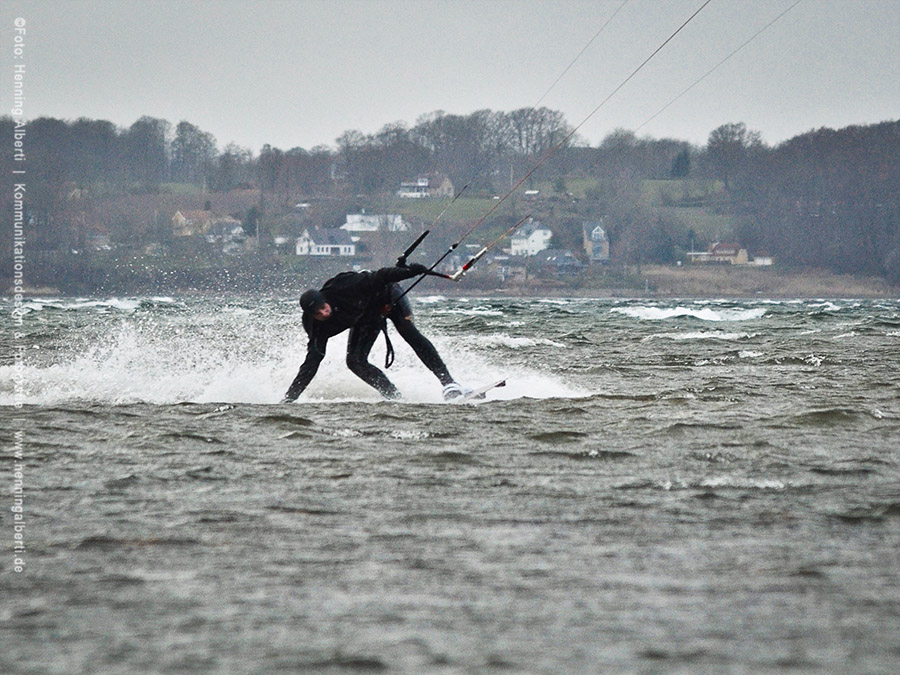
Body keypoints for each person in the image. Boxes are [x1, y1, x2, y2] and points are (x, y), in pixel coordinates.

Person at [282, 263, 465, 402]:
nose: (324, 313)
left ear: (325, 299)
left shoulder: (344, 286)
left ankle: (449, 384)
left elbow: (383, 275)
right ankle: (394, 398)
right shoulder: (317, 328)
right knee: (355, 361)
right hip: (366, 314)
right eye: (318, 313)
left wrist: (409, 271)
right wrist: (289, 398)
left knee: (407, 331)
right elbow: (310, 365)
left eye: (323, 307)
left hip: (387, 296)